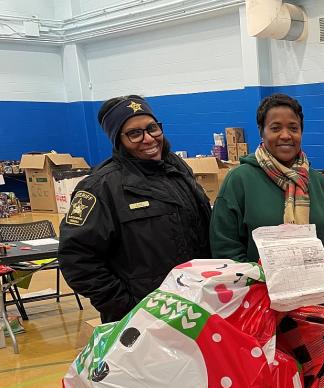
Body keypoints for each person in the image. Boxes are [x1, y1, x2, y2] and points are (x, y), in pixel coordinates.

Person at [59, 95, 212, 323]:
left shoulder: (178, 171)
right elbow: (77, 259)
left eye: (152, 128)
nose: (148, 139)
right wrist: (127, 306)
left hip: (196, 306)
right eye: (134, 133)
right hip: (141, 319)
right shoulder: (100, 187)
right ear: (118, 140)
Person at [209, 93, 324, 294]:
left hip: (317, 303)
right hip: (259, 306)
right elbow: (225, 249)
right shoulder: (239, 180)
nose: (286, 135)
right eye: (275, 128)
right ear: (261, 132)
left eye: (293, 128)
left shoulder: (317, 183)